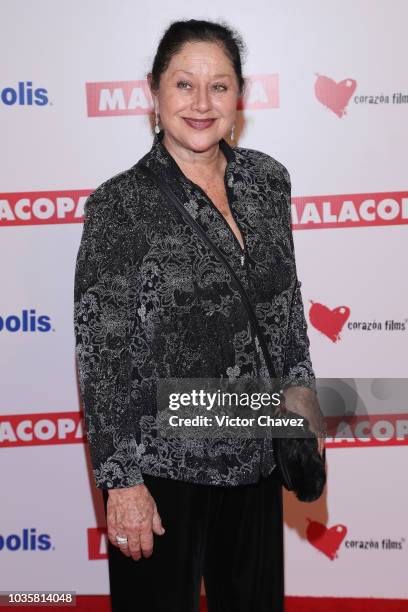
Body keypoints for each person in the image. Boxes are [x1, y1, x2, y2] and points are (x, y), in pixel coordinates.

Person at [73, 18, 326, 612]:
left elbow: (283, 305)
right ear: (154, 94)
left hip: (257, 449)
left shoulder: (267, 181)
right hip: (163, 466)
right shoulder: (118, 206)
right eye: (184, 85)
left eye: (219, 86)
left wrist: (302, 397)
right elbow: (101, 357)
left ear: (240, 97)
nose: (202, 103)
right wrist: (122, 483)